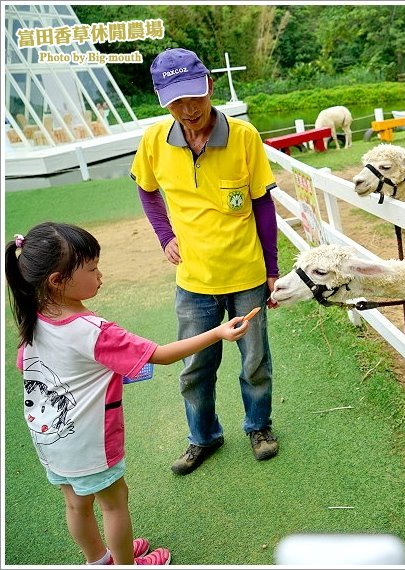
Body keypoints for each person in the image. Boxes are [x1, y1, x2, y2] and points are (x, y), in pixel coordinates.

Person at [5, 222, 252, 565]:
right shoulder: (94, 331)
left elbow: (26, 366)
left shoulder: (35, 318)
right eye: (92, 269)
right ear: (57, 281)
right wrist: (218, 332)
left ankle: (98, 560)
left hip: (50, 438)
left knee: (76, 504)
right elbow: (161, 355)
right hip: (90, 442)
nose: (100, 275)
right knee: (114, 503)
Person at [130, 47, 281, 476]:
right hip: (194, 279)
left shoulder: (244, 136)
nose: (188, 109)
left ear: (210, 86)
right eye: (176, 101)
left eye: (194, 96)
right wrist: (165, 236)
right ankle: (203, 436)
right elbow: (147, 189)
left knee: (255, 361)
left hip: (246, 272)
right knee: (195, 365)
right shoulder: (154, 141)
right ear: (162, 101)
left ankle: (259, 427)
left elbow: (262, 204)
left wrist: (271, 270)